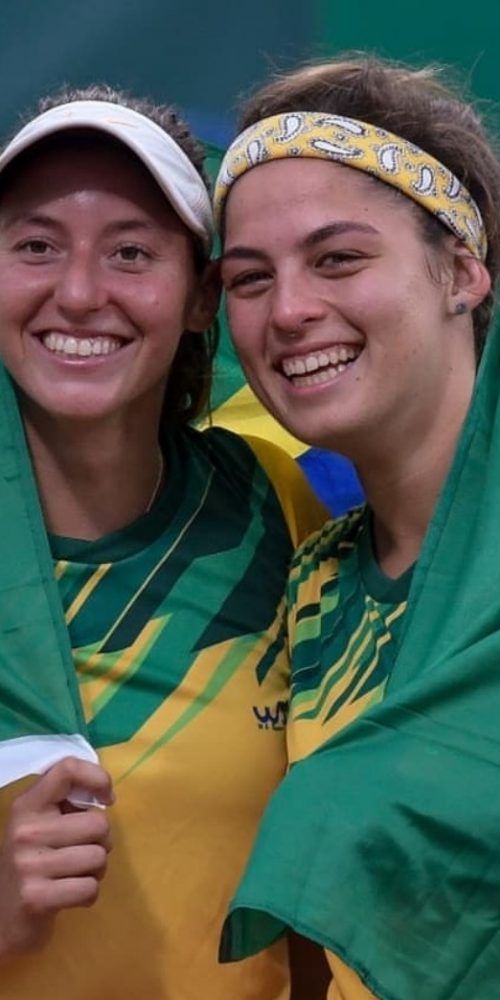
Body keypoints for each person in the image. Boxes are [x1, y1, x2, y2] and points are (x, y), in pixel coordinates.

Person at [0, 85, 326, 999]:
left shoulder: (272, 501)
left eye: (131, 252)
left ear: (200, 297)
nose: (78, 293)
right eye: (35, 246)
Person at [213, 56, 500, 999]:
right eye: (250, 278)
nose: (290, 311)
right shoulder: (317, 584)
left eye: (338, 258)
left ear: (462, 272)